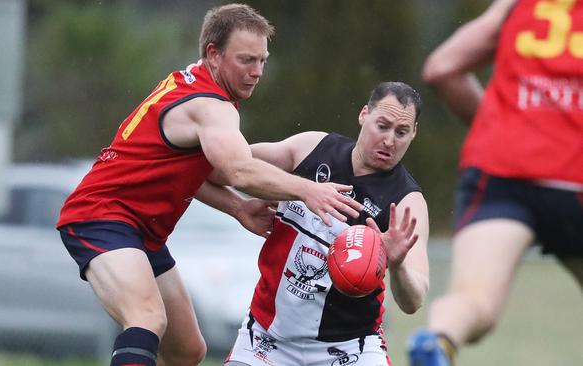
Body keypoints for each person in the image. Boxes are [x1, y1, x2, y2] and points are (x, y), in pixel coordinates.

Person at [55, 4, 364, 366]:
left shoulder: (192, 84)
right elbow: (238, 170)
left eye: (262, 60)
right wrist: (308, 189)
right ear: (213, 54)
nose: (257, 71)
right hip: (100, 215)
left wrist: (237, 208)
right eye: (247, 60)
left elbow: (195, 170)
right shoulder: (211, 106)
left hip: (141, 232)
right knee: (146, 317)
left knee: (187, 351)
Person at [407, 0, 583, 365]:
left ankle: (438, 340)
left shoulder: (523, 5)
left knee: (474, 302)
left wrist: (506, 130)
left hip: (504, 170)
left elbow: (442, 69)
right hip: (575, 175)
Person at [224, 82, 430, 366]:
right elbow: (227, 165)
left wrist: (398, 265)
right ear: (363, 115)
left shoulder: (406, 203)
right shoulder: (313, 149)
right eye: (382, 126)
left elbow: (414, 301)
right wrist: (239, 205)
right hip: (267, 338)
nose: (389, 140)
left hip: (350, 348)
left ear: (413, 133)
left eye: (401, 132)